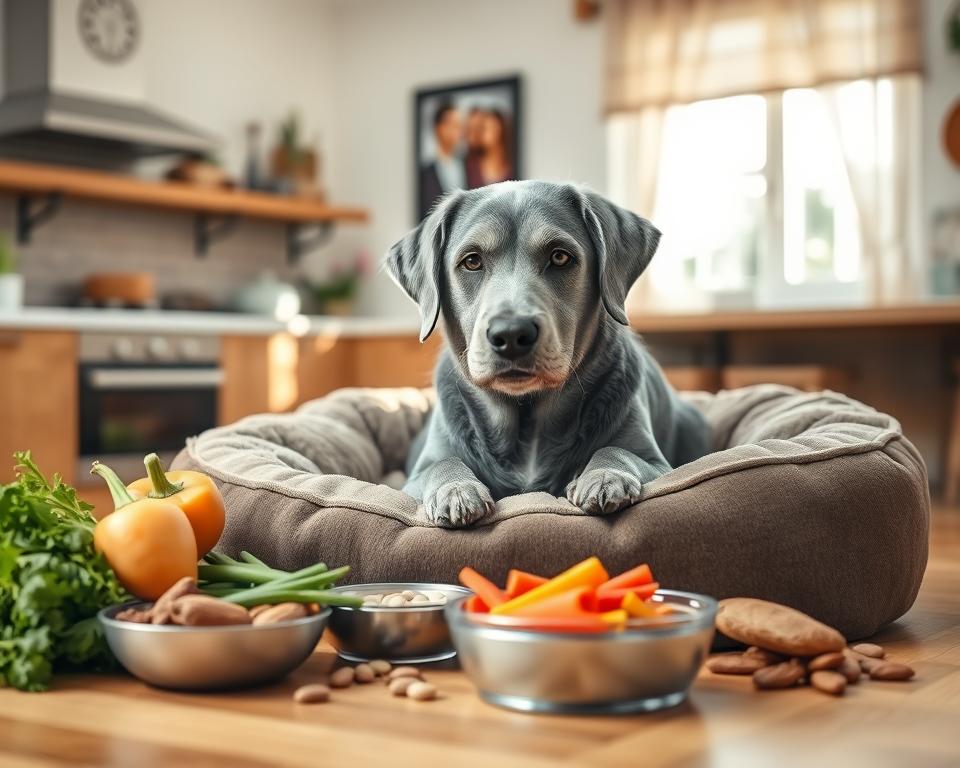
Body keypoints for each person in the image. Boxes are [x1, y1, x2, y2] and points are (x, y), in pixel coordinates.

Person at [419, 102, 465, 217]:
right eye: (452, 124)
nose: (458, 131)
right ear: (438, 128)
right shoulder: (425, 172)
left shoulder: (467, 165)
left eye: (459, 125)